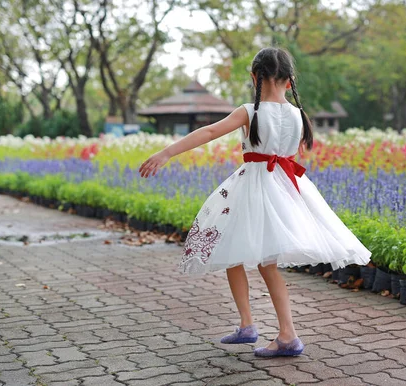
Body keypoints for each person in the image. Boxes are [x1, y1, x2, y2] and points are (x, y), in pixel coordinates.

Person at [138, 47, 371, 357]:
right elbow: (294, 152)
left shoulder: (249, 111)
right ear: (289, 82)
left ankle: (287, 334)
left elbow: (209, 132)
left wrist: (167, 152)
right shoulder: (298, 115)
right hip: (287, 188)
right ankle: (248, 325)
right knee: (237, 252)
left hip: (254, 186)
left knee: (261, 261)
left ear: (254, 78)